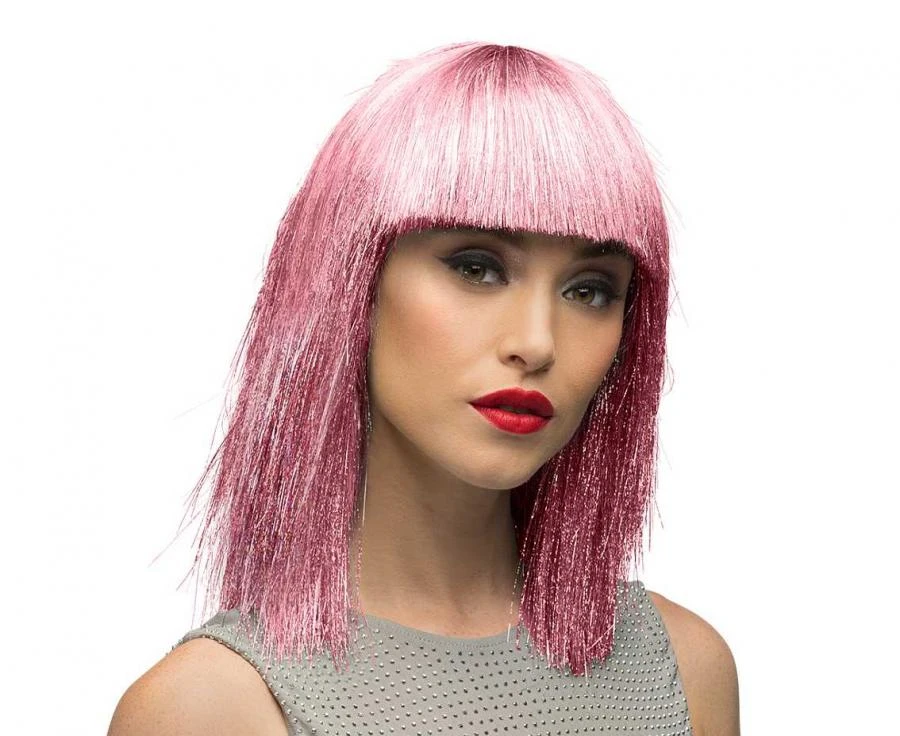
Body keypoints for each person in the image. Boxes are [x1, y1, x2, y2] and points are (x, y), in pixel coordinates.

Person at [108, 42, 739, 735]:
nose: (537, 342)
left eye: (589, 289)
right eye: (476, 267)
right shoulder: (213, 707)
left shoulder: (683, 671)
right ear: (353, 280)